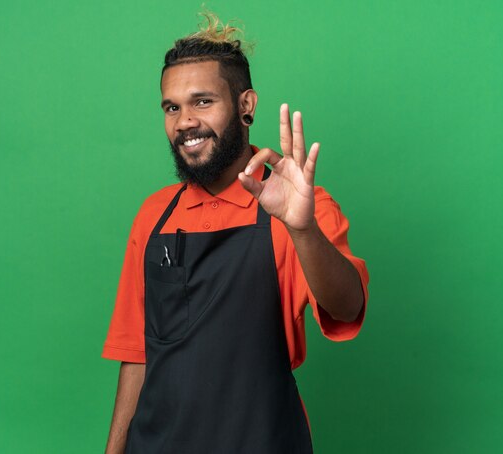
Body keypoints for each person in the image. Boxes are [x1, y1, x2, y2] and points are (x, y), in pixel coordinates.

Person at [102, 12, 369, 454]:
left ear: (246, 105)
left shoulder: (300, 210)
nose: (184, 121)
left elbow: (347, 306)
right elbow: (136, 352)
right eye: (172, 107)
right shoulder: (153, 215)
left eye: (202, 101)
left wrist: (301, 229)